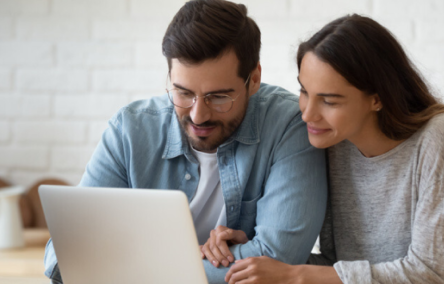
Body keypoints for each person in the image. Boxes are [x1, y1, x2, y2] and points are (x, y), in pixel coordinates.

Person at [208, 14, 444, 284]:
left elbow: (429, 274)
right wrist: (257, 256)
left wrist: (295, 275)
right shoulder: (334, 145)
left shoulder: (439, 140)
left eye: (329, 100)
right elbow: (339, 269)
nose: (307, 114)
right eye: (304, 91)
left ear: (377, 99)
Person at [42, 1, 328, 283]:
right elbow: (66, 254)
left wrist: (133, 267)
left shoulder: (289, 125)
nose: (198, 115)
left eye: (218, 97)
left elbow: (278, 259)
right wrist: (218, 258)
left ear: (253, 79)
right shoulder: (129, 130)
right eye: (183, 93)